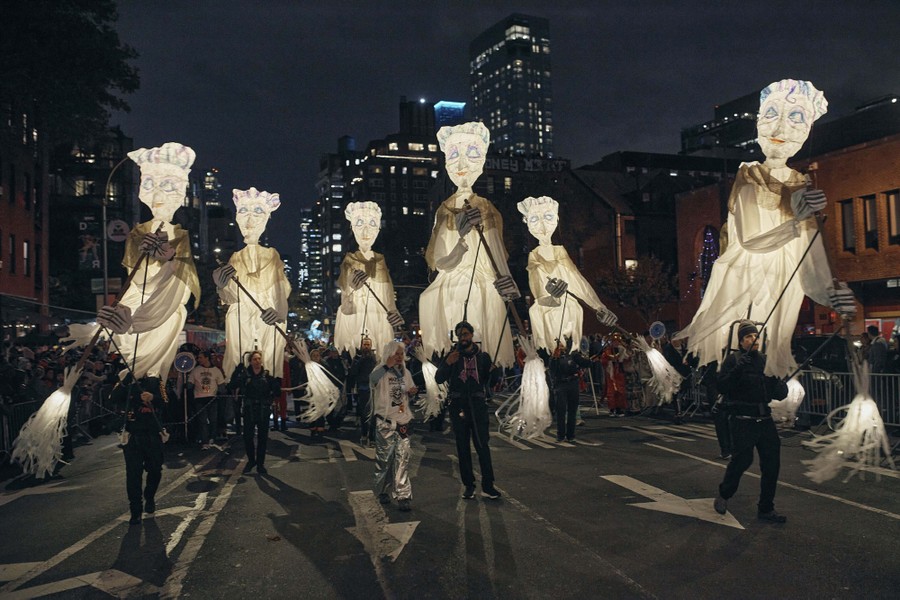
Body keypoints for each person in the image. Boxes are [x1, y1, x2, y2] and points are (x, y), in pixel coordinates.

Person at [677, 80, 856, 378]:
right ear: (759, 121)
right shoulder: (749, 175)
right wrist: (795, 222)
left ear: (807, 130)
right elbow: (750, 240)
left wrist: (831, 293)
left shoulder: (800, 185)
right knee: (746, 345)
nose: (780, 128)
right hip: (746, 280)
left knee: (775, 352)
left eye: (796, 117)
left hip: (784, 284)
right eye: (772, 114)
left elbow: (810, 257)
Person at [95, 142, 200, 381]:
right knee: (133, 349)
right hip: (140, 299)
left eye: (168, 186)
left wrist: (169, 260)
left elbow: (184, 281)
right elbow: (135, 278)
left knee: (155, 364)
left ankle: (153, 383)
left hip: (166, 307)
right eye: (151, 184)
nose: (159, 195)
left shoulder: (180, 235)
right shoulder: (137, 233)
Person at [420, 122, 519, 368]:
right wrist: (461, 240)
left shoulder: (486, 208)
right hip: (453, 279)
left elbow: (496, 254)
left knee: (484, 299)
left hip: (482, 278)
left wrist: (507, 282)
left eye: (471, 154)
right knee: (430, 298)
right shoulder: (444, 210)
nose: (462, 164)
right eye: (454, 155)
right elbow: (441, 262)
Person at [518, 195, 618, 353]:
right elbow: (537, 285)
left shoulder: (560, 252)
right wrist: (550, 296)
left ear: (556, 220)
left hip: (568, 309)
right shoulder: (534, 256)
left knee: (571, 346)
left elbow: (577, 280)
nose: (543, 226)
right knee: (551, 349)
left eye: (548, 218)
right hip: (547, 310)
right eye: (535, 220)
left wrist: (598, 306)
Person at [714, 321, 789, 523]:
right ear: (741, 341)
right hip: (743, 421)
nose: (753, 339)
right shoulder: (732, 360)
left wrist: (779, 381)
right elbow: (721, 386)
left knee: (772, 465)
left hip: (765, 420)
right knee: (741, 461)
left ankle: (766, 508)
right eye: (748, 337)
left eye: (755, 336)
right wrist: (737, 370)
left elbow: (780, 393)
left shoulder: (765, 361)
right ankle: (724, 493)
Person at [213, 188, 291, 383]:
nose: (249, 221)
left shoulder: (271, 255)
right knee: (239, 350)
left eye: (257, 213)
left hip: (266, 311)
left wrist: (279, 312)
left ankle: (269, 381)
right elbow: (231, 296)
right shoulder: (235, 257)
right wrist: (222, 286)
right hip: (242, 313)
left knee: (270, 351)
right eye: (243, 213)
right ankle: (237, 380)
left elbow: (282, 288)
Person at [435, 321, 501, 499]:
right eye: (459, 335)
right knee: (462, 447)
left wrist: (495, 372)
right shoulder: (452, 355)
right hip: (458, 406)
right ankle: (469, 485)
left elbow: (491, 382)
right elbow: (439, 378)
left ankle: (488, 486)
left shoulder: (483, 356)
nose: (462, 338)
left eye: (465, 334)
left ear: (472, 335)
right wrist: (447, 363)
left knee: (482, 446)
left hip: (478, 406)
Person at [334, 202, 404, 357]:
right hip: (356, 316)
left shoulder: (380, 261)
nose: (366, 230)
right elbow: (345, 299)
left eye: (372, 224)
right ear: (352, 228)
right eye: (359, 223)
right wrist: (352, 287)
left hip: (379, 318)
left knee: (381, 350)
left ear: (378, 228)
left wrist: (393, 312)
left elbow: (388, 294)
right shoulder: (349, 260)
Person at [112, 375, 168, 525]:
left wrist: (153, 398)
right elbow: (113, 397)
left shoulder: (156, 380)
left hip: (152, 434)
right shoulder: (125, 379)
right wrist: (125, 381)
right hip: (132, 435)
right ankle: (135, 510)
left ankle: (149, 496)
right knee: (133, 474)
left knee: (155, 469)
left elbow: (166, 401)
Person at [369, 340, 418, 511]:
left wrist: (412, 392)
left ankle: (403, 495)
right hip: (385, 423)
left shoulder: (406, 373)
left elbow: (409, 391)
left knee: (402, 460)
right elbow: (372, 380)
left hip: (403, 422)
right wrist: (385, 366)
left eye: (401, 354)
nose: (399, 357)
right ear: (389, 353)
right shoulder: (380, 371)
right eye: (396, 353)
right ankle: (383, 490)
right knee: (384, 461)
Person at [230, 350, 280, 475]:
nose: (257, 361)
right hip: (249, 410)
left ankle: (260, 463)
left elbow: (277, 393)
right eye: (254, 359)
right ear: (250, 361)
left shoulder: (268, 376)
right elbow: (231, 386)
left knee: (263, 438)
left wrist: (276, 385)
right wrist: (236, 373)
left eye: (259, 359)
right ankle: (251, 460)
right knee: (248, 437)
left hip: (263, 410)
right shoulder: (245, 376)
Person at [548, 340, 593, 442]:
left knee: (572, 411)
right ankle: (560, 435)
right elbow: (552, 371)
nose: (561, 345)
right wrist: (555, 358)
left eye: (562, 343)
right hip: (560, 384)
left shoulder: (573, 354)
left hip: (573, 383)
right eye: (559, 343)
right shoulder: (554, 357)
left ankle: (570, 435)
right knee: (561, 411)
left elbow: (584, 363)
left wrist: (591, 360)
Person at [187, 350, 226, 449]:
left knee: (213, 419)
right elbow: (190, 384)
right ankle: (205, 441)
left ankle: (212, 438)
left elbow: (221, 385)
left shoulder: (216, 371)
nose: (198, 359)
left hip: (212, 398)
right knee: (202, 421)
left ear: (207, 358)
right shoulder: (196, 370)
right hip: (199, 398)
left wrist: (221, 392)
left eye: (200, 357)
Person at [347, 337, 378, 445]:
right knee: (364, 413)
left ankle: (372, 436)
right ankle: (364, 434)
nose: (366, 346)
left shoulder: (374, 357)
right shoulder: (357, 357)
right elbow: (353, 373)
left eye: (368, 344)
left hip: (374, 388)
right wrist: (358, 360)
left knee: (374, 413)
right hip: (363, 388)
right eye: (364, 344)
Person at [601, 335, 628, 416]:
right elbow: (604, 360)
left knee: (620, 391)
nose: (616, 343)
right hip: (611, 373)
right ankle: (612, 409)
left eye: (617, 341)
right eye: (614, 341)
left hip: (619, 373)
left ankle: (619, 409)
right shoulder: (607, 351)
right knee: (611, 392)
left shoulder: (622, 350)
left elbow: (627, 358)